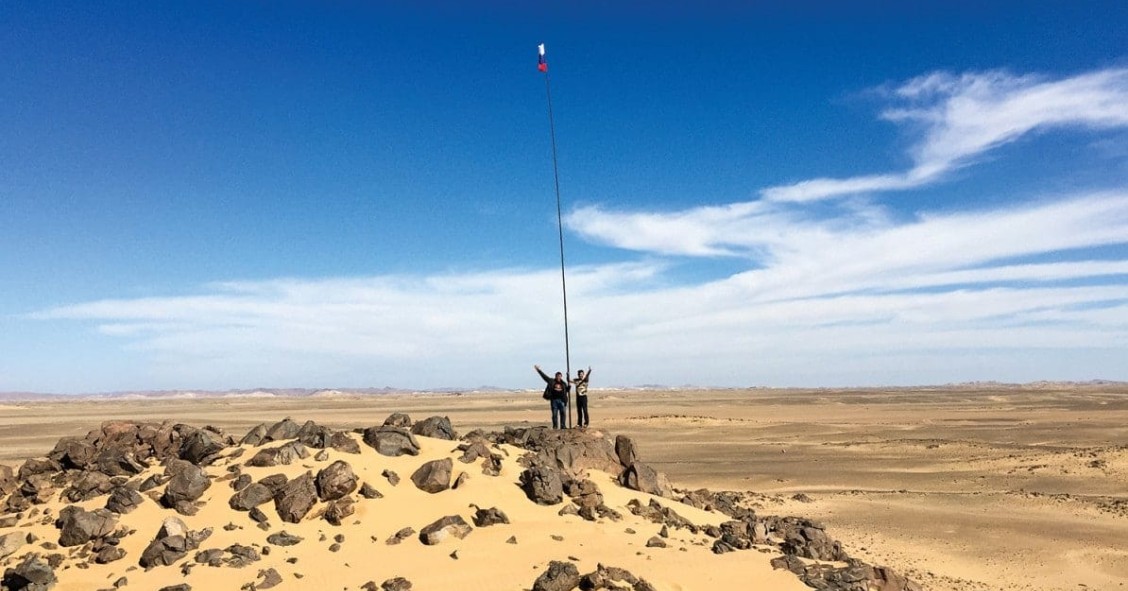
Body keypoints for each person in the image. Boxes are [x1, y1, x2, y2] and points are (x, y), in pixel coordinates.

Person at [534, 364, 570, 429]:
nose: (558, 377)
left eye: (559, 376)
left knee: (563, 414)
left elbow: (566, 391)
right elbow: (544, 377)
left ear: (561, 376)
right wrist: (539, 370)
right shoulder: (551, 381)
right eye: (557, 376)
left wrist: (569, 387)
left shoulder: (564, 383)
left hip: (562, 400)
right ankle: (555, 426)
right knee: (554, 415)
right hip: (554, 400)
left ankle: (563, 426)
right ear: (555, 376)